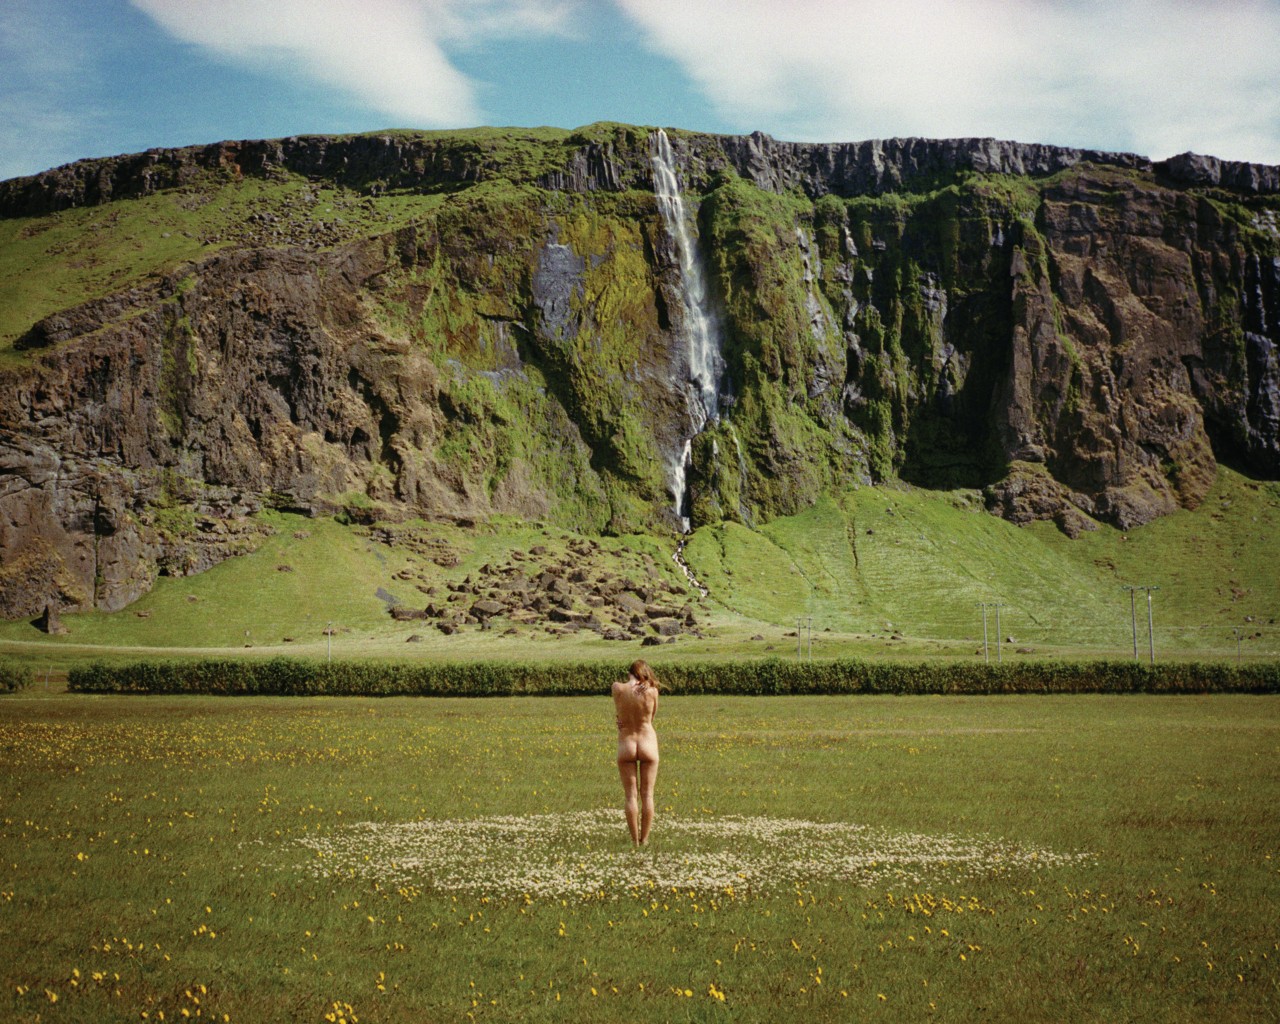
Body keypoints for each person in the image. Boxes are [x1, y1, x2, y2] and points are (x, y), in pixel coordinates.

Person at [612, 659, 660, 846]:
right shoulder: (653, 691)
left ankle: (634, 840)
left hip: (626, 743)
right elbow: (652, 717)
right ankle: (645, 839)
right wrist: (646, 686)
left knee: (630, 796)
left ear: (629, 673)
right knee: (647, 795)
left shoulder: (617, 688)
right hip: (647, 741)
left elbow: (619, 714)